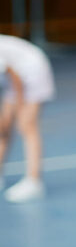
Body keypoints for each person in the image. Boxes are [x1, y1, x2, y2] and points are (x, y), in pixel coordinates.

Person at [0, 35, 55, 202]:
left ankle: (34, 181)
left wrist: (21, 104)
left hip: (33, 71)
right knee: (3, 128)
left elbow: (15, 77)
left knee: (27, 125)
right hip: (15, 80)